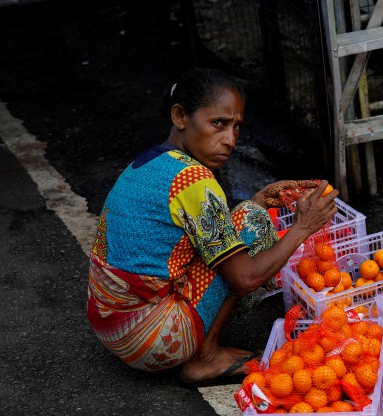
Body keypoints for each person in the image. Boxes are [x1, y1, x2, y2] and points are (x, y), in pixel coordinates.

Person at [86, 67, 339, 386]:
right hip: (152, 341)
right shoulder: (195, 180)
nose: (230, 140)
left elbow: (204, 234)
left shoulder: (150, 162)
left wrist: (259, 198)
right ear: (180, 116)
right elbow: (245, 278)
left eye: (236, 127)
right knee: (252, 222)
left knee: (247, 214)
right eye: (218, 123)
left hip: (112, 325)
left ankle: (198, 342)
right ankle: (204, 358)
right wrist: (303, 227)